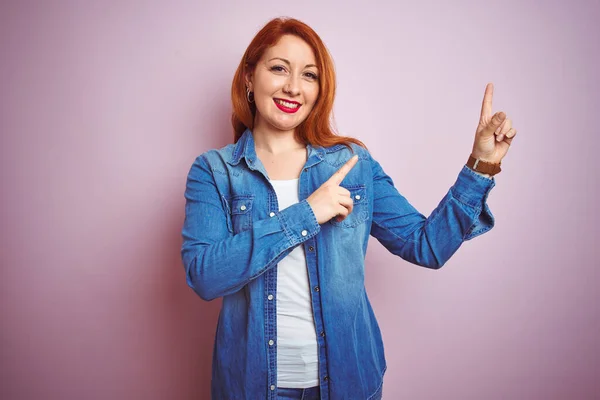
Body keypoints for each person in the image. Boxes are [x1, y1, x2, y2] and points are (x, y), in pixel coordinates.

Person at [181, 17, 517, 400]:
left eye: (309, 75)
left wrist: (481, 165)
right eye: (278, 69)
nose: (293, 87)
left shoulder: (351, 164)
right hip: (253, 388)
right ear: (248, 77)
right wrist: (306, 214)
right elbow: (205, 275)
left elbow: (427, 246)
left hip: (347, 384)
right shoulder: (214, 171)